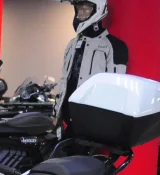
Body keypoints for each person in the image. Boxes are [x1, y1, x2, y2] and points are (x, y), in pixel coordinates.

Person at [54, 0, 128, 138]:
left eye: (86, 8)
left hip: (92, 121)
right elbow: (65, 79)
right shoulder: (72, 45)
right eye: (78, 8)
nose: (80, 13)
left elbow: (115, 89)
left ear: (97, 8)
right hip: (66, 119)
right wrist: (57, 111)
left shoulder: (114, 46)